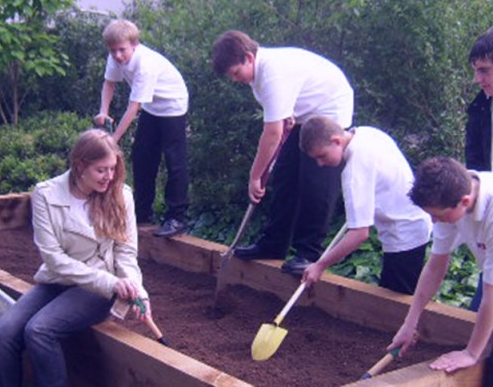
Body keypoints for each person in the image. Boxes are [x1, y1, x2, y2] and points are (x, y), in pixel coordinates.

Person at [0, 129, 151, 387]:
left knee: (39, 331)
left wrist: (135, 289)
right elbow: (54, 259)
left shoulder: (121, 195)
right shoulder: (46, 194)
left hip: (99, 288)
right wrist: (110, 282)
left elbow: (126, 252)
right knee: (4, 333)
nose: (109, 177)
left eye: (113, 169)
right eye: (101, 170)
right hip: (58, 279)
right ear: (80, 166)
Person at [211, 30, 354, 274]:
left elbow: (273, 134)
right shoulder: (257, 75)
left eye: (235, 72)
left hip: (329, 111)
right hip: (303, 116)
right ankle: (274, 244)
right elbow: (282, 118)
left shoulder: (273, 73)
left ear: (249, 57)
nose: (235, 79)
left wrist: (255, 175)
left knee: (315, 184)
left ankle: (309, 253)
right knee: (284, 178)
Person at [299, 115, 431, 294]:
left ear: (336, 140)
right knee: (391, 296)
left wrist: (320, 265)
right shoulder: (367, 133)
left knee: (393, 302)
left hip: (404, 233)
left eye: (322, 156)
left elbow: (359, 234)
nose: (320, 164)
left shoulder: (354, 171)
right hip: (414, 222)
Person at [388, 157, 493, 375]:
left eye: (437, 216)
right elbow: (435, 267)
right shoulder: (451, 198)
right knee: (477, 337)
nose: (434, 222)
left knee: (484, 354)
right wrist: (410, 323)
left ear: (464, 202)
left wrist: (471, 353)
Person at [93, 19, 189, 238]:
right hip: (151, 106)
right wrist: (103, 111)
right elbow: (109, 83)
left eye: (122, 50)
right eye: (113, 50)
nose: (117, 55)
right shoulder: (115, 56)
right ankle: (142, 212)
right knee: (142, 156)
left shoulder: (146, 65)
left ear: (134, 45)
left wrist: (113, 139)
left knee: (175, 162)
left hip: (172, 106)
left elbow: (133, 107)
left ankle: (177, 217)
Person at [465, 27, 493, 311]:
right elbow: (475, 167)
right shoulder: (481, 109)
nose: (478, 79)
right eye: (476, 71)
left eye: (484, 70)